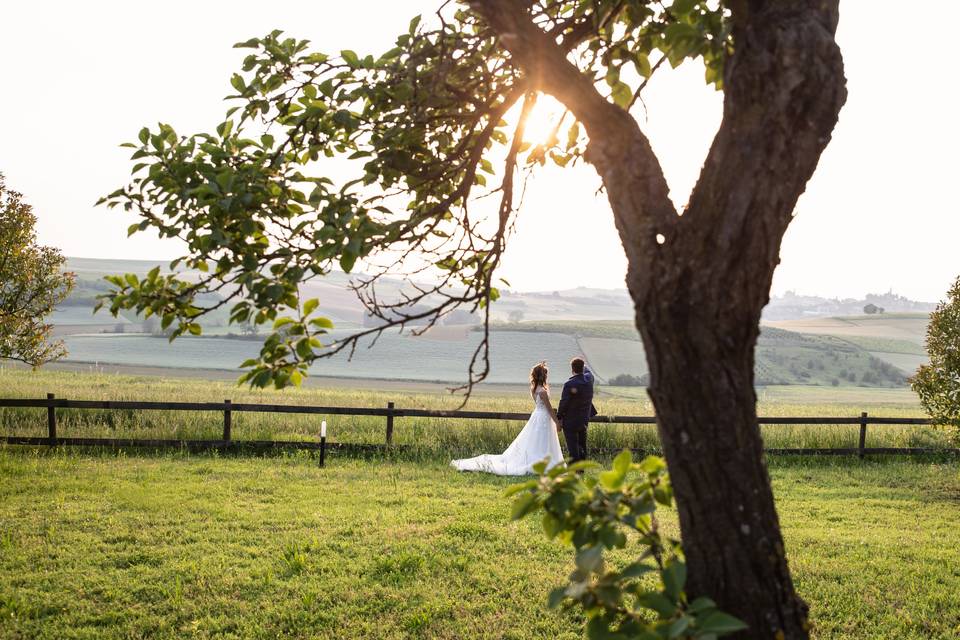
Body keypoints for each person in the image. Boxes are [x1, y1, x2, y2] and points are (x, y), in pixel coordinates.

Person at [450, 362, 564, 476]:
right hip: (543, 417)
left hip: (537, 415)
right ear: (542, 376)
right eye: (545, 374)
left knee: (538, 440)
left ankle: (541, 461)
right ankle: (543, 462)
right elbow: (549, 408)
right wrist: (557, 422)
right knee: (542, 440)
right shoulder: (543, 392)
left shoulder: (534, 389)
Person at [556, 357, 597, 464]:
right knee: (582, 444)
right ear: (583, 368)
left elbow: (563, 402)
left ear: (572, 369)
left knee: (572, 446)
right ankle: (582, 468)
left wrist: (559, 417)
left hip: (570, 420)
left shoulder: (569, 384)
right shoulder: (589, 379)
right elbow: (589, 372)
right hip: (584, 419)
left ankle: (573, 470)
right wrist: (583, 365)